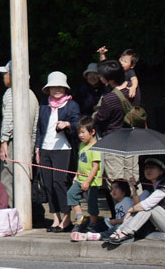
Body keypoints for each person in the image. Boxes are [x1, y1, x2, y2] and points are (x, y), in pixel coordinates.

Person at [35, 71, 80, 232]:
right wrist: (37, 147)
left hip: (63, 149)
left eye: (60, 87)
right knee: (47, 184)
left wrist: (67, 124)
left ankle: (67, 217)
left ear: (65, 88)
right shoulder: (44, 105)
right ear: (48, 89)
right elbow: (39, 129)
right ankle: (55, 218)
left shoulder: (71, 105)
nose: (57, 90)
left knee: (59, 182)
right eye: (53, 87)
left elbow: (78, 125)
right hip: (45, 147)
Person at [0, 62, 39, 204]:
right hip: (28, 143)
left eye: (5, 74)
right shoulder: (32, 95)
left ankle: (9, 212)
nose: (3, 77)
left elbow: (8, 117)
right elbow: (35, 127)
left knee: (8, 177)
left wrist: (4, 141)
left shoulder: (11, 92)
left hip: (13, 142)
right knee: (24, 178)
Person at [93, 59, 139, 188]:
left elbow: (100, 118)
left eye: (101, 76)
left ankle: (122, 208)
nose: (99, 77)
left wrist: (94, 115)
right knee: (133, 178)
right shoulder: (133, 89)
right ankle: (137, 206)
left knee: (116, 181)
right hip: (132, 138)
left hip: (114, 141)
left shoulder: (109, 98)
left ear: (110, 80)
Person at [105, 158, 165, 245]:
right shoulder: (150, 187)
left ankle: (125, 232)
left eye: (152, 167)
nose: (148, 170)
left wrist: (130, 210)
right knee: (144, 211)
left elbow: (146, 205)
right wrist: (134, 189)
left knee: (150, 207)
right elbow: (137, 204)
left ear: (161, 171)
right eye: (146, 168)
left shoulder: (163, 186)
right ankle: (121, 231)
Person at [66, 116, 101, 229]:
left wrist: (87, 181)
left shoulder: (95, 147)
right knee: (71, 194)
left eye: (83, 132)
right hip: (80, 178)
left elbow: (95, 167)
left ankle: (93, 224)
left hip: (92, 181)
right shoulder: (81, 145)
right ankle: (80, 216)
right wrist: (76, 175)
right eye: (79, 133)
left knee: (92, 204)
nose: (80, 135)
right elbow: (80, 162)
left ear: (92, 132)